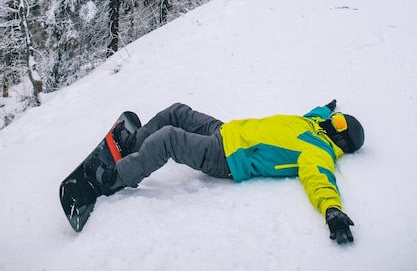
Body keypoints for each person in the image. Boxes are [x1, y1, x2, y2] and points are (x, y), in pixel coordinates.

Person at [86, 99, 364, 244]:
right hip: (226, 130)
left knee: (170, 138)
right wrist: (329, 107)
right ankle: (135, 144)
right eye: (334, 119)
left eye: (337, 124)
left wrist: (332, 210)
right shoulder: (313, 123)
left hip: (227, 158)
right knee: (177, 112)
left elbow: (320, 180)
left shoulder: (318, 152)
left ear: (341, 141)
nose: (331, 121)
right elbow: (316, 112)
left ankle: (116, 178)